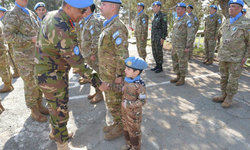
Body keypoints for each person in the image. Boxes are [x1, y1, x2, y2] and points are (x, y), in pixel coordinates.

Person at [34, 0, 106, 149]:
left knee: (54, 108)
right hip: (52, 77)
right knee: (60, 112)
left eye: (85, 10)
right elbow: (77, 63)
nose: (84, 14)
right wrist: (99, 83)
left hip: (49, 72)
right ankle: (62, 144)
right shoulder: (61, 26)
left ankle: (55, 133)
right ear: (68, 7)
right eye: (81, 11)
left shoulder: (54, 15)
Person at [4, 0, 48, 122]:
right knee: (30, 83)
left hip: (36, 54)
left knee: (39, 80)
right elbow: (8, 36)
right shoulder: (12, 14)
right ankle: (34, 109)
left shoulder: (29, 12)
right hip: (24, 57)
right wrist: (30, 39)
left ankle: (40, 104)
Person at [99, 0, 129, 140]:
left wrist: (119, 75)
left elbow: (122, 54)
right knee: (110, 101)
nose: (100, 7)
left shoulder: (117, 27)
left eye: (103, 4)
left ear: (112, 6)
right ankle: (117, 123)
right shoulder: (109, 25)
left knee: (116, 101)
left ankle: (121, 127)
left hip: (113, 74)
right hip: (107, 72)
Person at [102, 57, 147, 150]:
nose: (125, 70)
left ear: (136, 72)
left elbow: (142, 101)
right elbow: (121, 88)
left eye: (128, 69)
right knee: (126, 129)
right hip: (125, 113)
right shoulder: (127, 80)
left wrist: (129, 104)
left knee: (134, 132)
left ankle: (135, 147)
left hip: (134, 115)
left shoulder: (139, 85)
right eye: (126, 68)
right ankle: (128, 144)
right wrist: (109, 86)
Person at [212, 0, 250, 108]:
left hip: (236, 57)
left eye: (233, 6)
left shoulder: (246, 23)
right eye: (230, 6)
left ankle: (229, 98)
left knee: (233, 79)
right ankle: (223, 94)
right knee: (223, 77)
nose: (230, 8)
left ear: (240, 8)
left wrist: (245, 57)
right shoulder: (227, 21)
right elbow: (221, 36)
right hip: (224, 55)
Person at [79, 3, 104, 104]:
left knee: (95, 74)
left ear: (88, 8)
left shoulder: (93, 21)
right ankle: (97, 91)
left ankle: (99, 94)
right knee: (91, 75)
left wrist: (93, 53)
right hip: (87, 54)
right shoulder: (87, 20)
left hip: (92, 55)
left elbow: (96, 39)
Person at [170, 3, 195, 86]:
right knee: (175, 61)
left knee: (182, 62)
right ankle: (178, 75)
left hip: (182, 46)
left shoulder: (188, 19)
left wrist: (188, 46)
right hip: (175, 45)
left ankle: (182, 78)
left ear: (184, 9)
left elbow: (191, 34)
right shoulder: (177, 19)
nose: (178, 10)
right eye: (177, 9)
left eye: (180, 9)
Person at [150, 1, 168, 73]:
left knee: (159, 52)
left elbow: (164, 28)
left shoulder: (162, 16)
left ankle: (160, 67)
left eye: (155, 6)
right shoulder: (155, 16)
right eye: (153, 6)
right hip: (154, 37)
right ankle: (157, 65)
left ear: (159, 7)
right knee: (154, 52)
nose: (153, 8)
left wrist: (163, 38)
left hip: (159, 37)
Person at [0, 6, 14, 93]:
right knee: (6, 67)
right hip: (3, 48)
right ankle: (9, 84)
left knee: (3, 68)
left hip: (1, 49)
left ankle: (7, 85)